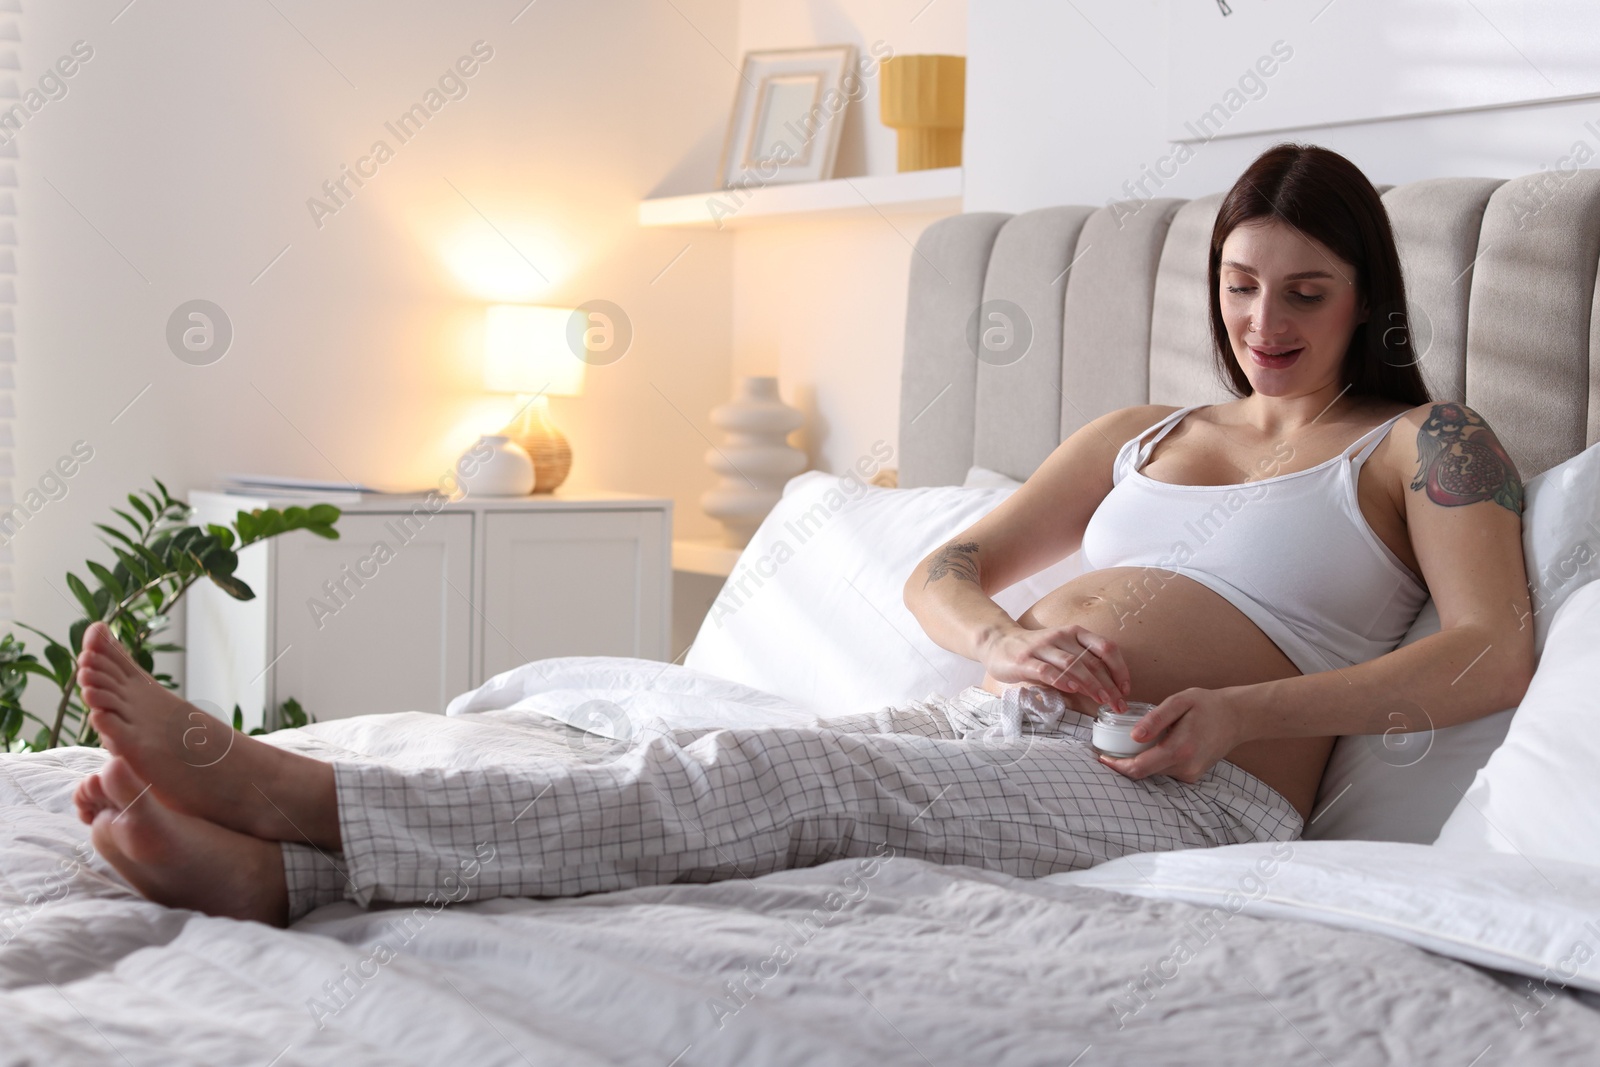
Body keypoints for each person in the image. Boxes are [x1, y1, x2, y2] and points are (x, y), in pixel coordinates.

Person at [72, 142, 1535, 927]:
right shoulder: (1141, 434)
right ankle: (281, 877)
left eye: (1305, 292)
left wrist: (1241, 714)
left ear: (1368, 298)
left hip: (1191, 788)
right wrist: (1009, 637)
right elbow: (940, 570)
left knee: (769, 775)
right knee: (743, 789)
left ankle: (306, 803)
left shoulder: (1430, 445)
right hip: (1004, 723)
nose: (1262, 325)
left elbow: (1489, 653)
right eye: (1240, 285)